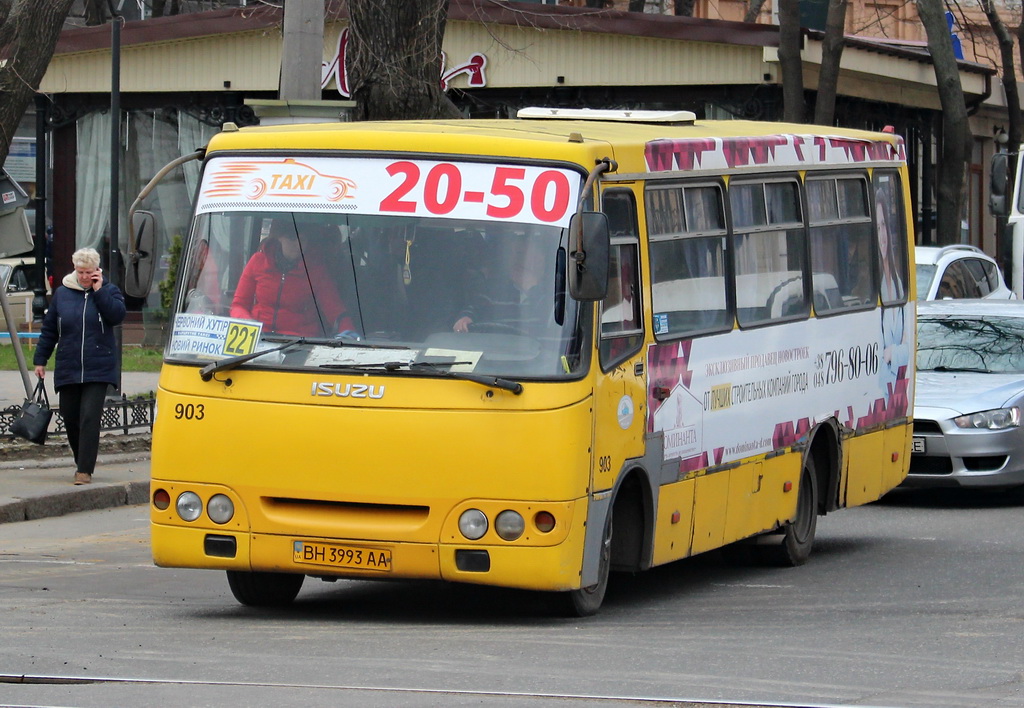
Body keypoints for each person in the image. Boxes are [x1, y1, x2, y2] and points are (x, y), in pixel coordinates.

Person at [33, 247, 126, 486]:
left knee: (89, 418)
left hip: (99, 367)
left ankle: (84, 469)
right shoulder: (63, 294)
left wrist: (99, 291)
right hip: (69, 365)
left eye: (89, 272)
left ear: (97, 271)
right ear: (75, 269)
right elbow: (50, 329)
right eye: (81, 272)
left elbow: (116, 316)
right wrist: (41, 360)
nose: (84, 276)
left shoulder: (109, 291)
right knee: (71, 416)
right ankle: (80, 459)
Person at [230, 219, 354, 337]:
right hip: (259, 338)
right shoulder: (257, 261)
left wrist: (348, 331)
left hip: (300, 344)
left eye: (303, 240)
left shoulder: (316, 270)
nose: (298, 245)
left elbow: (335, 310)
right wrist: (247, 323)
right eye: (292, 239)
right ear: (279, 238)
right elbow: (239, 305)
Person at [453, 229, 551, 333]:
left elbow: (557, 320)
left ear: (540, 258)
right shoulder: (497, 289)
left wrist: (532, 288)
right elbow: (476, 306)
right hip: (496, 347)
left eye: (520, 253)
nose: (514, 259)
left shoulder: (560, 288)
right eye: (510, 254)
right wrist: (465, 317)